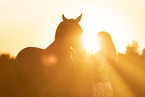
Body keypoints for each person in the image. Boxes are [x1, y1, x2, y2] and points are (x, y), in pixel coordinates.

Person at [90, 31, 117, 97]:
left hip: (100, 85)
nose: (96, 40)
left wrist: (89, 65)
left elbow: (100, 69)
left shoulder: (104, 52)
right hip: (103, 83)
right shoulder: (106, 51)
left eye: (97, 38)